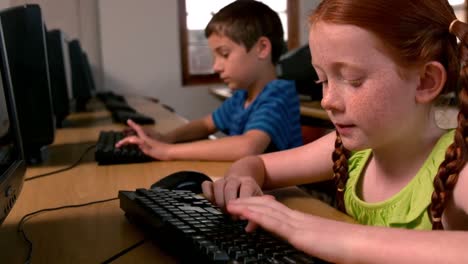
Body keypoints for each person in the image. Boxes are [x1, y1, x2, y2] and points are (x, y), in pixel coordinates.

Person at [201, 0, 468, 262]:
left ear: (425, 81)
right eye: (323, 80)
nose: (327, 100)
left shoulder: (458, 169)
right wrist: (241, 181)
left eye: (353, 80)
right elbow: (256, 163)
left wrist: (335, 236)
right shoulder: (346, 148)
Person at [115, 1, 302, 161]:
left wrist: (168, 151)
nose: (216, 67)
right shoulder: (242, 97)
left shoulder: (278, 94)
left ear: (262, 48)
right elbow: (205, 125)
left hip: (288, 194)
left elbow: (248, 147)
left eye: (224, 54)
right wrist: (165, 138)